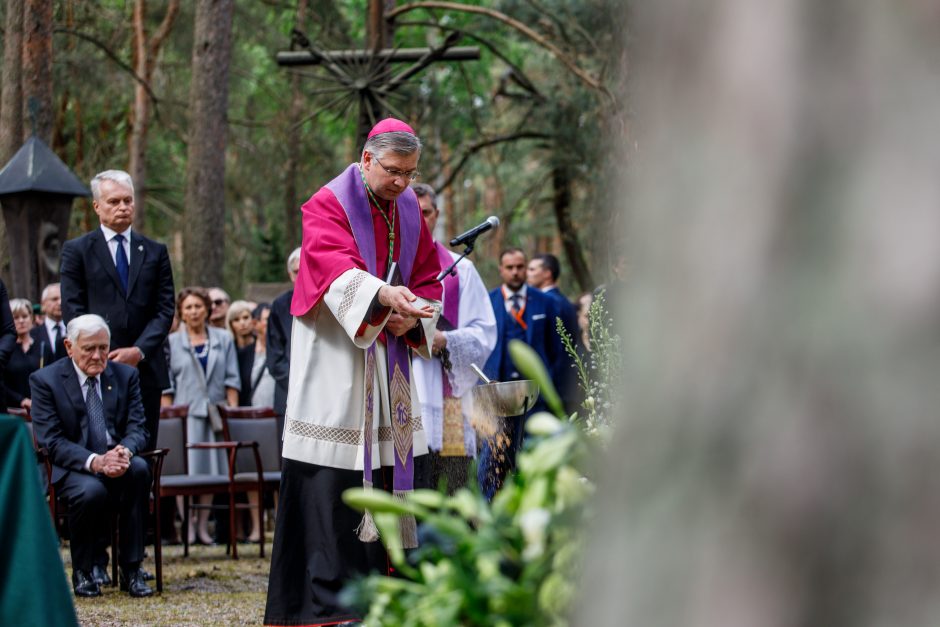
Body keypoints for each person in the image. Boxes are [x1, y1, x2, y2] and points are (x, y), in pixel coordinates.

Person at [264, 118, 443, 627]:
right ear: (366, 160)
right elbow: (333, 266)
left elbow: (429, 271)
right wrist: (384, 298)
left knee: (397, 467)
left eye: (410, 173)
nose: (402, 184)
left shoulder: (408, 206)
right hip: (338, 356)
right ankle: (328, 601)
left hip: (390, 358)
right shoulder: (329, 203)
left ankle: (391, 589)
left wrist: (417, 310)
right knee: (332, 470)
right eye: (393, 172)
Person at [30, 314, 153, 598]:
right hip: (73, 466)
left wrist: (124, 450)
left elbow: (138, 427)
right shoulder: (45, 380)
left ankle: (131, 569)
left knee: (140, 470)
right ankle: (84, 571)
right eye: (89, 349)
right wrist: (94, 461)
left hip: (117, 458)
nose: (98, 356)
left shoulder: (126, 375)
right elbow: (52, 440)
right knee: (91, 491)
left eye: (103, 347)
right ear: (69, 346)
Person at [60, 169, 176, 453]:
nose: (123, 207)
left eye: (128, 200)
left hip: (145, 370)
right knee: (100, 449)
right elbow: (73, 309)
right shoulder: (78, 251)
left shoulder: (154, 251)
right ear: (97, 206)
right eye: (114, 202)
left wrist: (138, 351)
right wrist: (97, 352)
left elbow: (164, 309)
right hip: (95, 368)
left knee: (143, 454)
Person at [410, 183, 497, 493]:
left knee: (451, 491)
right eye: (411, 213)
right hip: (401, 393)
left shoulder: (462, 271)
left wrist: (445, 341)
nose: (419, 220)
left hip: (448, 400)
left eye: (426, 213)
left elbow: (485, 332)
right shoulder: (385, 268)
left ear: (437, 215)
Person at [480, 248, 563, 499]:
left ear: (526, 268)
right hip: (498, 400)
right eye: (510, 267)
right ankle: (489, 517)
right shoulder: (487, 302)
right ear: (501, 269)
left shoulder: (546, 303)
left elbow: (557, 351)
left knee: (535, 459)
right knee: (492, 465)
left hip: (534, 401)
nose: (515, 272)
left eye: (520, 267)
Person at [163, 287, 240, 545]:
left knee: (211, 469)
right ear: (181, 313)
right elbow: (167, 384)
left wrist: (232, 413)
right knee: (187, 471)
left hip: (215, 414)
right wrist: (169, 416)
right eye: (188, 307)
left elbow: (232, 378)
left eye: (198, 306)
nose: (194, 311)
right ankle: (188, 526)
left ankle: (203, 527)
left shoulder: (223, 338)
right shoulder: (172, 342)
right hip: (185, 416)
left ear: (207, 309)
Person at [527, 252, 581, 411]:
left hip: (555, 389)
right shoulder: (560, 301)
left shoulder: (552, 304)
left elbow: (557, 350)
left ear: (547, 273)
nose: (526, 274)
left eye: (532, 269)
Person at [266, 247, 300, 421]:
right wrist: (299, 385)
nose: (301, 276)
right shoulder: (279, 306)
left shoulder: (328, 301)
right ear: (290, 275)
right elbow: (275, 357)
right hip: (287, 396)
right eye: (296, 272)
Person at [5, 298, 42, 410]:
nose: (21, 321)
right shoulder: (4, 349)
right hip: (12, 410)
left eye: (25, 316)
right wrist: (21, 400)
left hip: (41, 409)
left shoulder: (43, 346)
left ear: (31, 318)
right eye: (15, 318)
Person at [29, 283, 68, 366]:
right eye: (54, 299)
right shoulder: (32, 335)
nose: (60, 302)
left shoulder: (75, 330)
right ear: (43, 305)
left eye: (63, 298)